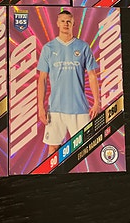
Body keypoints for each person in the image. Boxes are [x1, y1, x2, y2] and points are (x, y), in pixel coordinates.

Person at [37, 10, 100, 155]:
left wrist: (96, 102)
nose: (65, 24)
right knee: (53, 149)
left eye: (68, 21)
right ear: (57, 23)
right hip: (55, 108)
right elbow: (42, 79)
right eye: (63, 21)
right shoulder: (48, 48)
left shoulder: (83, 47)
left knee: (84, 151)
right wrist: (40, 106)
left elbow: (92, 75)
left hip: (80, 108)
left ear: (73, 24)